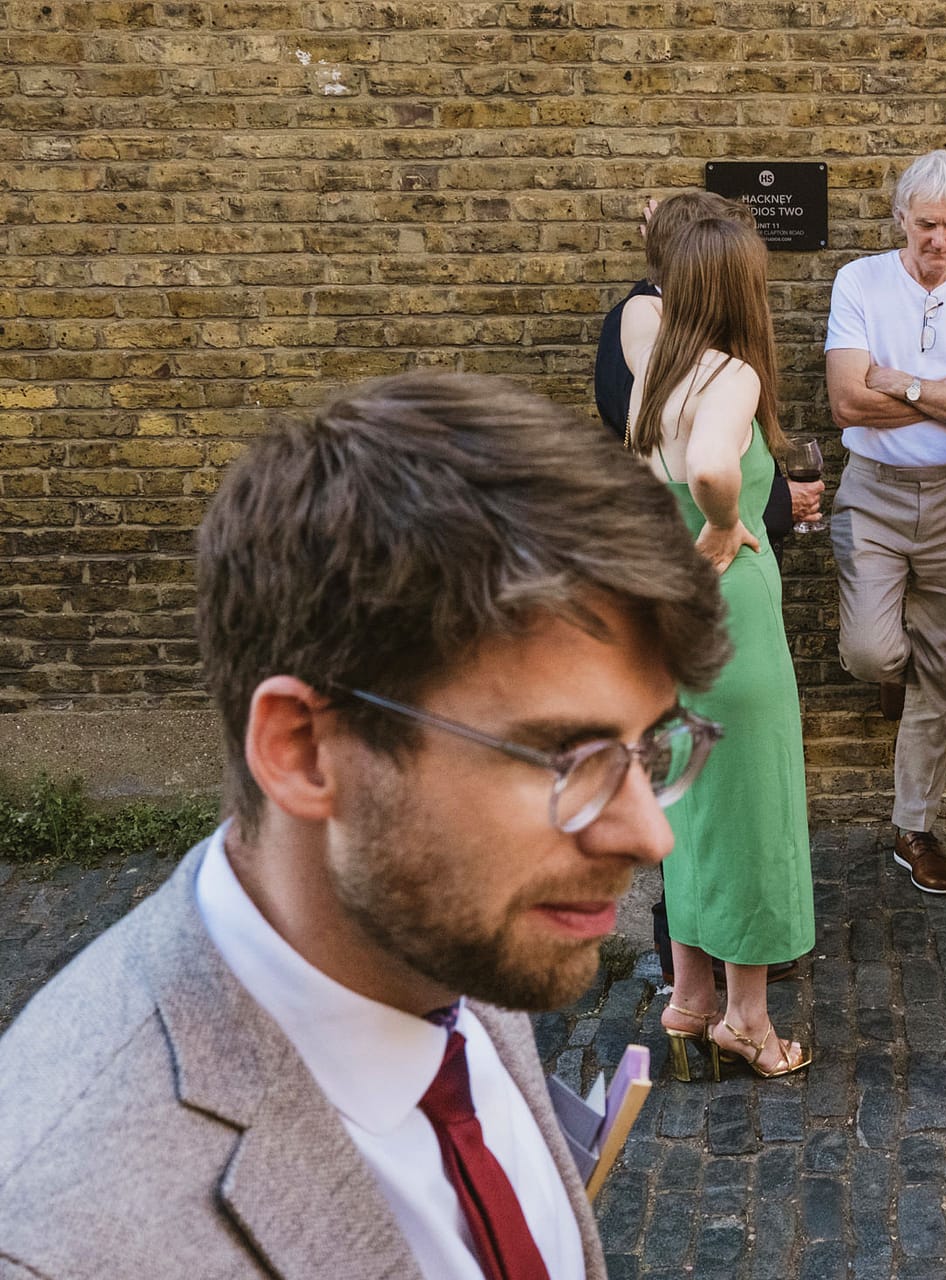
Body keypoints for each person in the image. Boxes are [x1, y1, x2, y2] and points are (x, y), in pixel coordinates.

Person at [0, 370, 729, 1277]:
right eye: (564, 757)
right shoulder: (60, 1238)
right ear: (304, 750)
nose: (649, 838)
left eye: (649, 746)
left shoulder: (438, 927)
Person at [593, 189, 818, 987]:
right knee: (755, 816)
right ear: (741, 288)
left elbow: (642, 312)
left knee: (690, 808)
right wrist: (725, 521)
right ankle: (748, 1020)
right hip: (733, 608)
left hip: (672, 611)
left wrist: (669, 231)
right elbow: (715, 468)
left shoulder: (651, 359)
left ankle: (689, 1001)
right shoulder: (730, 376)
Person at [824, 148, 946, 895]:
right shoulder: (859, 281)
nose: (940, 240)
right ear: (901, 218)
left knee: (940, 667)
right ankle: (888, 677)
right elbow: (847, 402)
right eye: (926, 224)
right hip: (872, 489)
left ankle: (915, 826)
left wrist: (898, 381)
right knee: (876, 654)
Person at [592, 190, 825, 561]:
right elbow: (689, 459)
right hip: (709, 552)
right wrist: (761, 509)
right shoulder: (704, 362)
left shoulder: (645, 325)